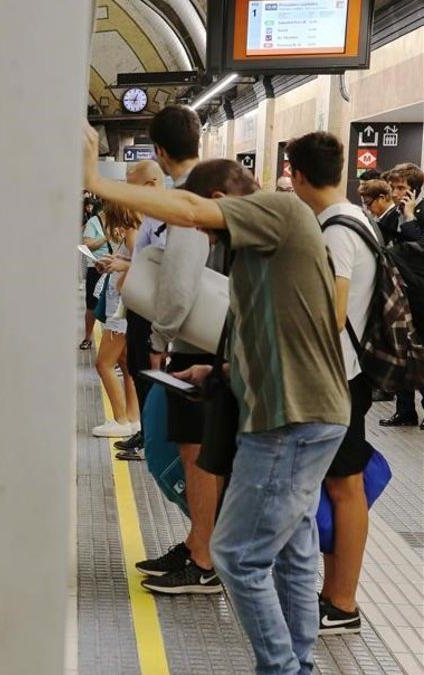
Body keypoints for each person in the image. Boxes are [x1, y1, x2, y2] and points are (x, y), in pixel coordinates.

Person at [84, 134, 350, 675]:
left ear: (228, 198)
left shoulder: (277, 210)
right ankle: (298, 662)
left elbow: (187, 205)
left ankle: (281, 669)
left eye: (209, 224)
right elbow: (270, 326)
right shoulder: (264, 252)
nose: (206, 235)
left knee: (236, 554)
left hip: (290, 418)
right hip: (303, 411)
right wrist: (220, 367)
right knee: (293, 549)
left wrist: (92, 180)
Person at [132, 105, 224, 595]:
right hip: (212, 341)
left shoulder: (188, 203)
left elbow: (179, 284)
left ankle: (205, 559)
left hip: (196, 344)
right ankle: (198, 543)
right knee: (201, 453)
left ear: (160, 153)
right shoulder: (216, 190)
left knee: (197, 456)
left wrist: (158, 336)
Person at [287, 131, 376, 635]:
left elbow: (332, 310)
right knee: (345, 485)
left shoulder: (336, 230)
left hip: (336, 378)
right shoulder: (355, 218)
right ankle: (335, 595)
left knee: (345, 487)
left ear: (298, 176)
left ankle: (341, 601)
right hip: (347, 375)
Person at [115, 159, 166, 460]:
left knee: (149, 375)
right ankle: (146, 433)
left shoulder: (164, 218)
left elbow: (163, 267)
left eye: (130, 185)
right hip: (138, 309)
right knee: (137, 370)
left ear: (149, 185)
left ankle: (152, 441)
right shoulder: (149, 217)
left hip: (151, 314)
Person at [376, 164, 424, 429]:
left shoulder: (415, 213)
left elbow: (420, 248)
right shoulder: (392, 215)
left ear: (413, 191)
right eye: (393, 188)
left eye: (401, 188)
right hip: (398, 293)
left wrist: (410, 218)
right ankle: (405, 410)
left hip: (419, 294)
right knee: (403, 351)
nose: (395, 193)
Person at [90, 200, 142, 438]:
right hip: (124, 307)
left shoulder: (131, 232)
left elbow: (140, 265)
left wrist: (120, 264)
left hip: (121, 310)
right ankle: (132, 418)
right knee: (125, 364)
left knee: (103, 364)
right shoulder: (134, 231)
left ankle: (121, 419)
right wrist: (111, 264)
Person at [81, 198, 109, 350]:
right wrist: (106, 237)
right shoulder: (93, 222)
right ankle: (87, 337)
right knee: (92, 305)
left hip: (113, 269)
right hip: (96, 267)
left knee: (110, 308)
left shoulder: (120, 221)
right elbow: (87, 244)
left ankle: (109, 343)